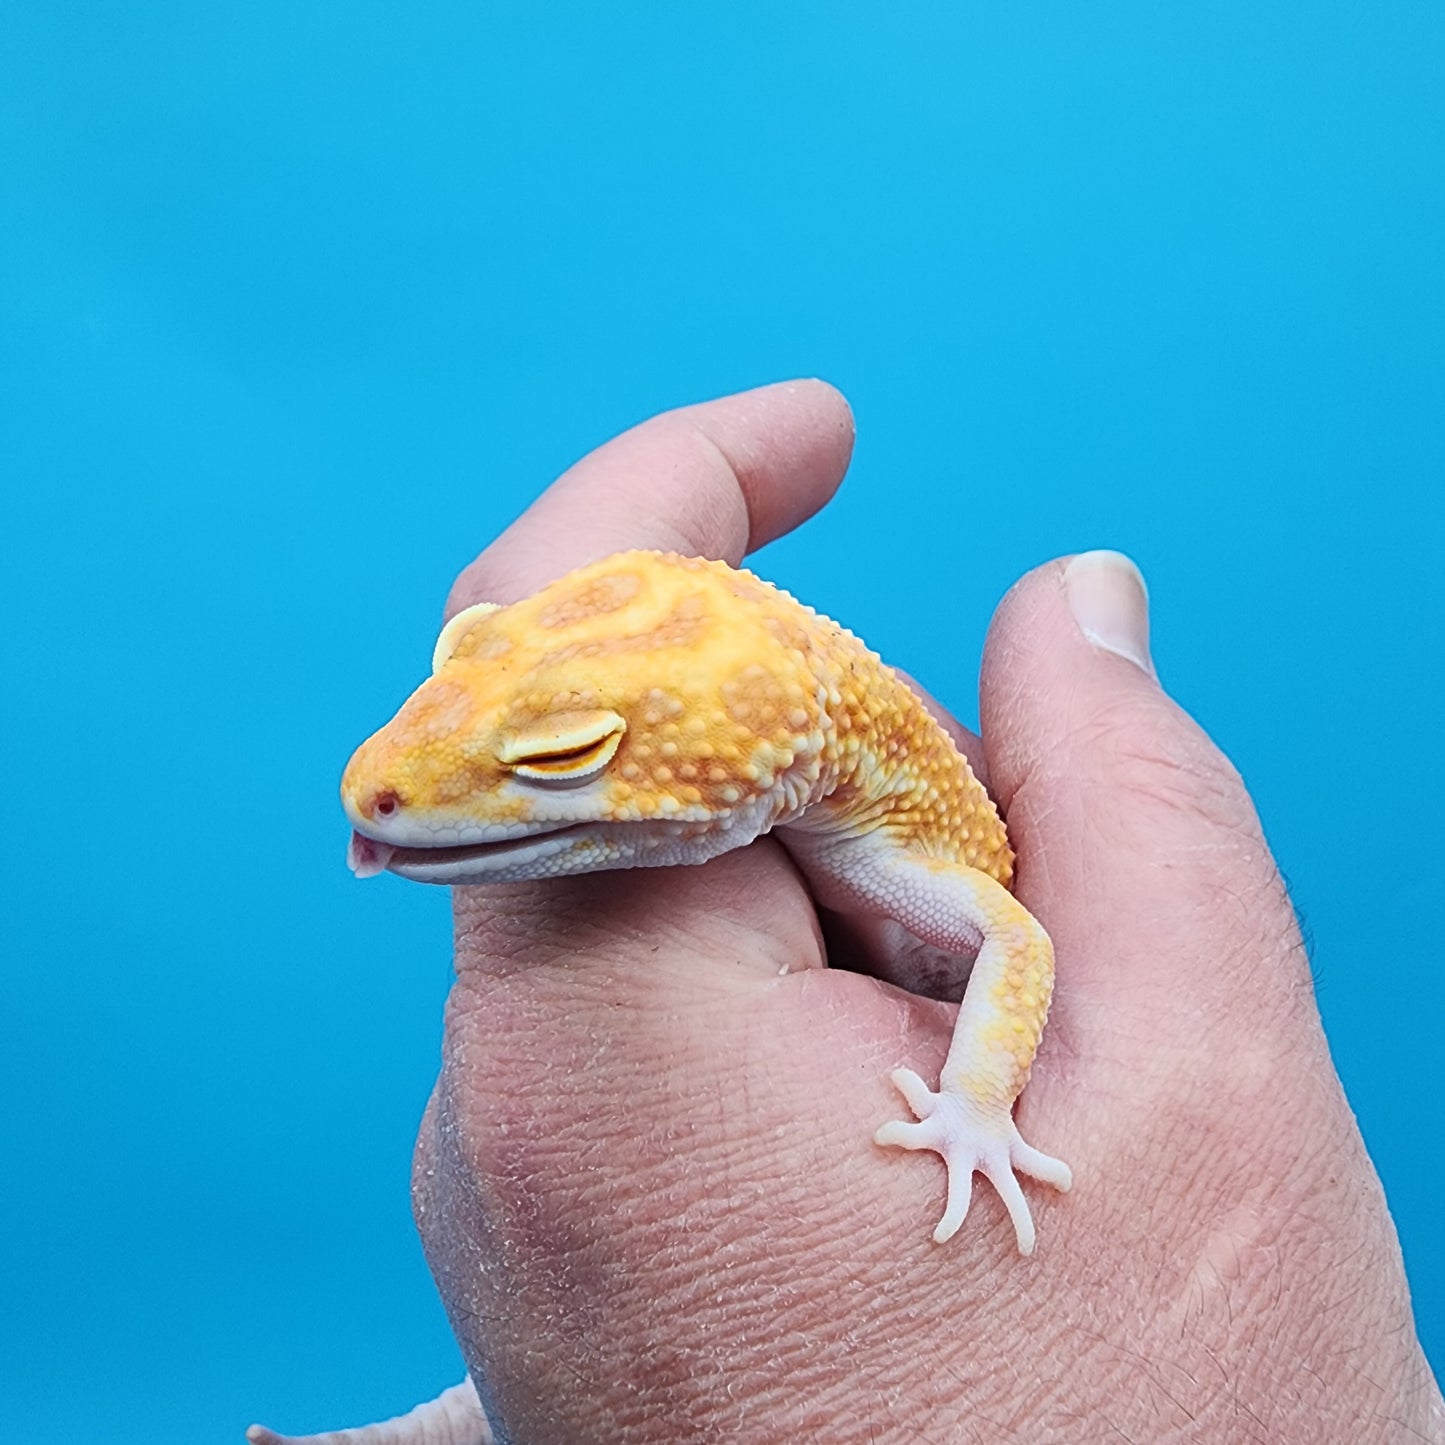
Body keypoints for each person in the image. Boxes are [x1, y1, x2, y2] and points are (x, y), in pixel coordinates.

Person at [408, 381, 1441, 1441]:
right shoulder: (790, 752)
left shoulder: (892, 848)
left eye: (560, 757)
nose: (378, 785)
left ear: (780, 756)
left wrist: (976, 1104)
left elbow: (1011, 935)